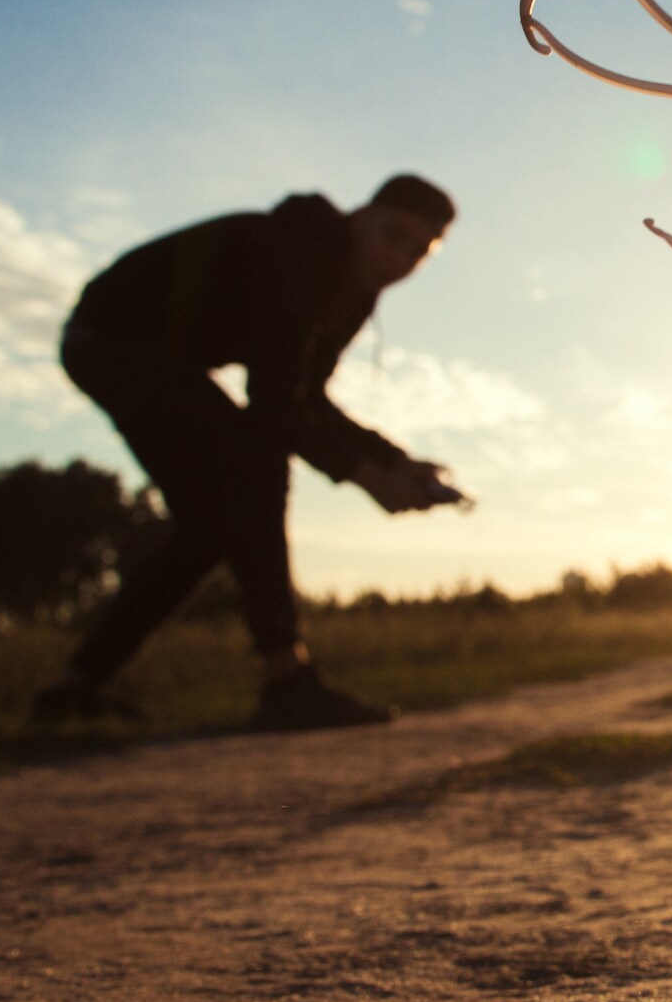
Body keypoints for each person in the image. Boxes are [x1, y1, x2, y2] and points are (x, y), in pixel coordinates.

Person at [32, 174, 458, 731]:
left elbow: (306, 396)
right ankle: (286, 678)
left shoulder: (352, 290)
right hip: (113, 341)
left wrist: (393, 460)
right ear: (360, 216)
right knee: (257, 464)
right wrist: (364, 475)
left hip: (156, 359)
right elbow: (274, 405)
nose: (399, 259)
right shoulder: (309, 251)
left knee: (208, 528)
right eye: (392, 235)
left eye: (419, 252)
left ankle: (75, 688)